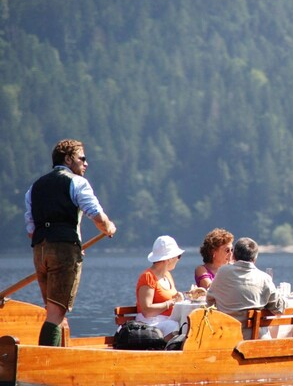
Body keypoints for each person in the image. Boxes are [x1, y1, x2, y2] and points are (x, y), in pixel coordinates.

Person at [24, 139, 117, 347]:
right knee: (56, 312)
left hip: (39, 250)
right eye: (82, 158)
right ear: (68, 159)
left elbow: (31, 229)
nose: (86, 163)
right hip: (64, 250)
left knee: (52, 309)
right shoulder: (77, 182)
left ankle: (58, 355)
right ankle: (46, 364)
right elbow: (97, 216)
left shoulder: (34, 187)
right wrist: (109, 227)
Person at [206, 237, 285, 339]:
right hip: (255, 340)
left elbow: (210, 299)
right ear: (255, 258)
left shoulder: (222, 272)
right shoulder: (264, 278)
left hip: (226, 338)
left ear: (233, 255)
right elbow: (279, 308)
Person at [135, 235, 185, 340]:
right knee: (174, 326)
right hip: (150, 324)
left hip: (166, 321)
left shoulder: (167, 275)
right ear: (169, 259)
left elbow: (172, 299)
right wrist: (171, 302)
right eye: (178, 256)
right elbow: (147, 311)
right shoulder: (148, 276)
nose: (178, 259)